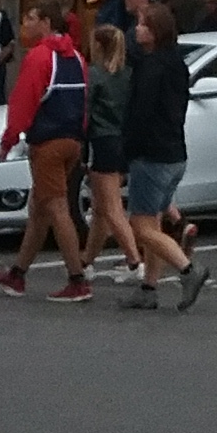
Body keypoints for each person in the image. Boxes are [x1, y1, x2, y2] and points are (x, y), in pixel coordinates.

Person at [0, 0, 93, 304]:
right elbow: (84, 102)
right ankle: (18, 273)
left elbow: (23, 102)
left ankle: (77, 279)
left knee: (57, 209)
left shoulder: (39, 57)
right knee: (39, 209)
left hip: (48, 143)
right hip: (72, 140)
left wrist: (7, 141)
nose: (26, 25)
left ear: (46, 23)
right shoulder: (76, 57)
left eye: (31, 19)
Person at [120, 2, 207, 312]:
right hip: (174, 152)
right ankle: (149, 288)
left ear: (155, 32)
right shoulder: (176, 64)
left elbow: (140, 115)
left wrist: (126, 151)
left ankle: (188, 269)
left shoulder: (151, 67)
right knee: (154, 221)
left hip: (151, 155)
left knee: (141, 226)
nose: (137, 29)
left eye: (143, 24)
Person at [81, 23, 144, 281]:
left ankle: (134, 261)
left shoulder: (94, 74)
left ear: (98, 45)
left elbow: (85, 113)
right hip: (123, 140)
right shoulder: (128, 74)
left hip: (102, 141)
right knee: (99, 208)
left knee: (110, 208)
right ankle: (87, 261)